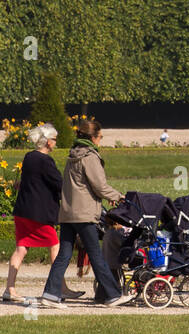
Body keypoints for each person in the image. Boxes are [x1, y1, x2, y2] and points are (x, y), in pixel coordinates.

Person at [39, 118, 129, 307]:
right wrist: (119, 196)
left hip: (68, 213)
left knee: (64, 254)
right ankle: (112, 295)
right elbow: (100, 186)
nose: (100, 140)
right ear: (93, 137)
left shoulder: (73, 155)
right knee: (96, 255)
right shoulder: (89, 157)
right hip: (84, 214)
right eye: (100, 137)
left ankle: (50, 293)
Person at [4, 124, 83, 302]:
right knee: (56, 246)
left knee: (21, 249)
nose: (55, 142)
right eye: (54, 139)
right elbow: (58, 183)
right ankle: (59, 287)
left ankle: (10, 288)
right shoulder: (45, 161)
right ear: (48, 142)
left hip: (23, 211)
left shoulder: (29, 157)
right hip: (39, 214)